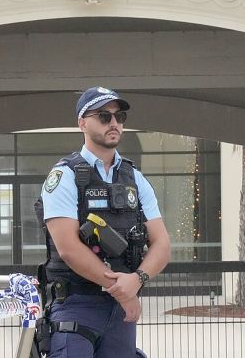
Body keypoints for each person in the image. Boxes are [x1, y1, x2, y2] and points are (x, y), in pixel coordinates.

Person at [35, 86, 171, 358]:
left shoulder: (135, 179)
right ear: (82, 123)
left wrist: (138, 279)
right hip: (75, 304)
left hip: (119, 313)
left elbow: (162, 244)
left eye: (119, 116)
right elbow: (68, 249)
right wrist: (123, 292)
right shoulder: (65, 176)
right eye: (104, 116)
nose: (114, 123)